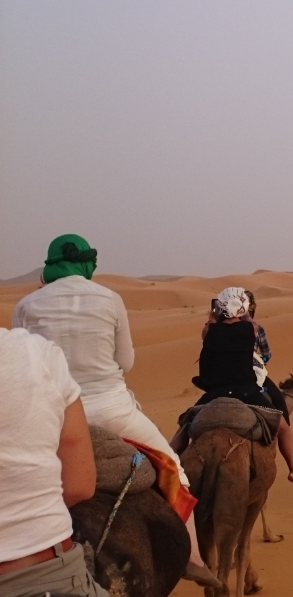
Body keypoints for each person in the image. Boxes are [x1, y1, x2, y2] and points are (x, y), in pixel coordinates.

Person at [12, 234, 218, 588]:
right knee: (173, 468)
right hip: (113, 411)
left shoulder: (27, 305)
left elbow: (24, 364)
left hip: (53, 417)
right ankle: (195, 558)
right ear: (87, 264)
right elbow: (126, 361)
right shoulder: (109, 298)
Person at [0, 327, 109, 597]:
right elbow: (79, 486)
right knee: (168, 458)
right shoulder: (37, 351)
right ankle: (195, 557)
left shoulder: (29, 309)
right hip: (109, 399)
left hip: (83, 400)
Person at [182, 288, 293, 495]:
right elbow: (261, 344)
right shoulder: (252, 328)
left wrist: (214, 315)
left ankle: (169, 470)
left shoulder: (208, 331)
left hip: (214, 393)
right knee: (283, 427)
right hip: (246, 392)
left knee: (185, 425)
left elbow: (210, 329)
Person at [239, 290, 291, 422]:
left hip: (222, 379)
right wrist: (262, 360)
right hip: (250, 375)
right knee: (279, 403)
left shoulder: (220, 328)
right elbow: (267, 354)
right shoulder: (257, 328)